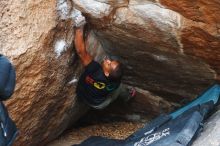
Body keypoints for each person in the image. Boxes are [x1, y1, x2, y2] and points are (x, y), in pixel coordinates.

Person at [73, 13, 135, 110]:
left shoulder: (95, 70)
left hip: (94, 100)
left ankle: (127, 96)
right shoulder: (116, 81)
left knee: (117, 90)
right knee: (119, 88)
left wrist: (79, 28)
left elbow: (81, 52)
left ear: (106, 73)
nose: (108, 60)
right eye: (111, 61)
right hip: (98, 102)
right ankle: (128, 95)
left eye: (109, 64)